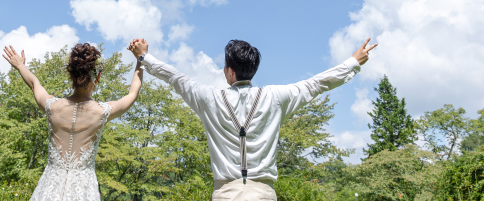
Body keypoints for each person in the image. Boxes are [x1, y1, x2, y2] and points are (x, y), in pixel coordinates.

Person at [127, 37, 377, 201]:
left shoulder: (209, 98)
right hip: (263, 194)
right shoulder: (275, 97)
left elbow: (175, 77)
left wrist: (144, 56)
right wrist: (353, 62)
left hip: (225, 194)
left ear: (230, 71)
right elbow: (315, 84)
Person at [2, 42, 144, 201]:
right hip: (83, 191)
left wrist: (20, 66)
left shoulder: (51, 106)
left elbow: (34, 83)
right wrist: (141, 58)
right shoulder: (102, 111)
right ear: (97, 77)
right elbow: (133, 93)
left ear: (71, 75)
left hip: (49, 189)